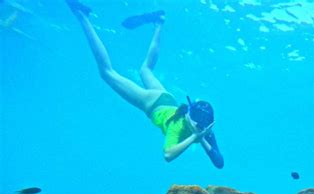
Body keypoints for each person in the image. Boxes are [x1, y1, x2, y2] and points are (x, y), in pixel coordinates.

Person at [66, 0, 224, 169]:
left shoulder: (205, 130)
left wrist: (202, 137)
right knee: (107, 73)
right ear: (189, 117)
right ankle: (82, 16)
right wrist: (195, 137)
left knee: (145, 70)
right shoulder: (176, 127)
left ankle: (159, 23)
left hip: (167, 100)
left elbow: (219, 162)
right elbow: (168, 155)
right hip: (151, 103)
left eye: (203, 125)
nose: (199, 126)